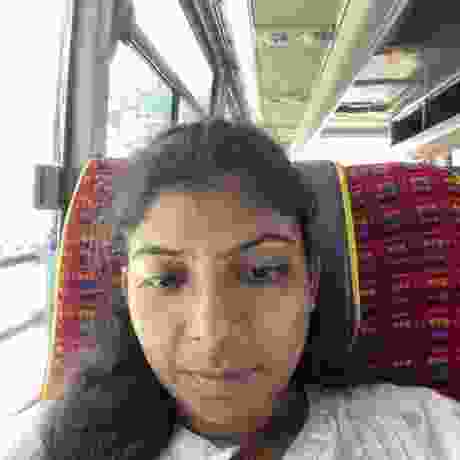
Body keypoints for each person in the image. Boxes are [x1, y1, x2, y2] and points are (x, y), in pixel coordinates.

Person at [2, 118, 460, 460]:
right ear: (127, 292)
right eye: (166, 280)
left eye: (261, 273)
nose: (214, 333)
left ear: (312, 283)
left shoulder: (423, 433)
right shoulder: (48, 444)